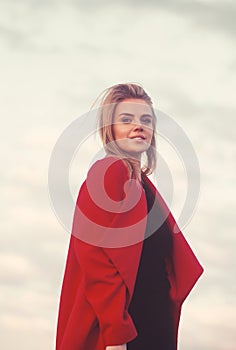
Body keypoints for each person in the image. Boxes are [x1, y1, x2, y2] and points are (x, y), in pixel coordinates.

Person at [56, 83, 203, 350]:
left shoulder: (145, 189)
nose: (139, 126)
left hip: (154, 326)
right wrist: (116, 335)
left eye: (146, 120)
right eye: (126, 119)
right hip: (124, 334)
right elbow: (94, 256)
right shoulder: (108, 172)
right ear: (109, 129)